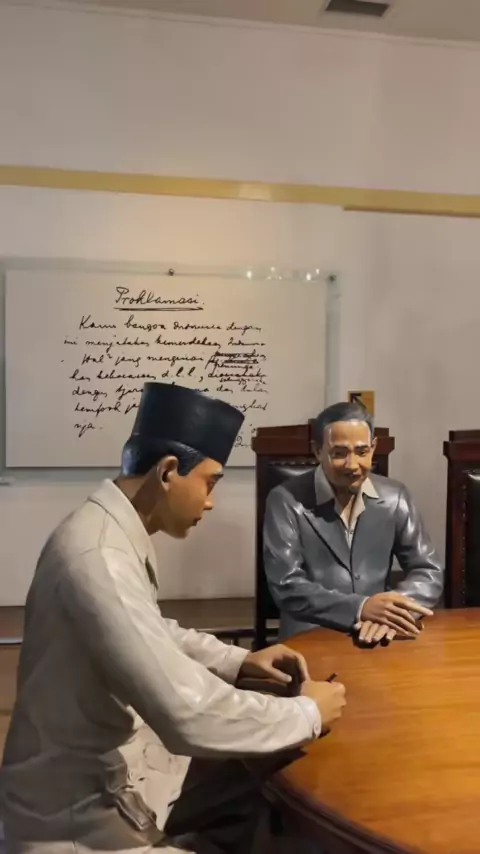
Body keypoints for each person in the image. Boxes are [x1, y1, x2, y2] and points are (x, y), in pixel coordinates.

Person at [0, 382, 346, 854]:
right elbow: (187, 713)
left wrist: (238, 662)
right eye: (210, 482)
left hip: (109, 776)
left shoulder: (107, 530)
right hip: (73, 819)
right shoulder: (98, 556)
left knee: (260, 783)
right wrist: (308, 713)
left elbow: (149, 629)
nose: (211, 501)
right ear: (167, 472)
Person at [263, 401, 443, 645]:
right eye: (339, 453)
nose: (352, 465)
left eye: (362, 452)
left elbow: (428, 570)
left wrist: (390, 613)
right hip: (310, 636)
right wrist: (361, 608)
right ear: (317, 450)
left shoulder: (396, 497)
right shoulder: (285, 500)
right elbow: (286, 585)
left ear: (373, 447)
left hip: (380, 634)